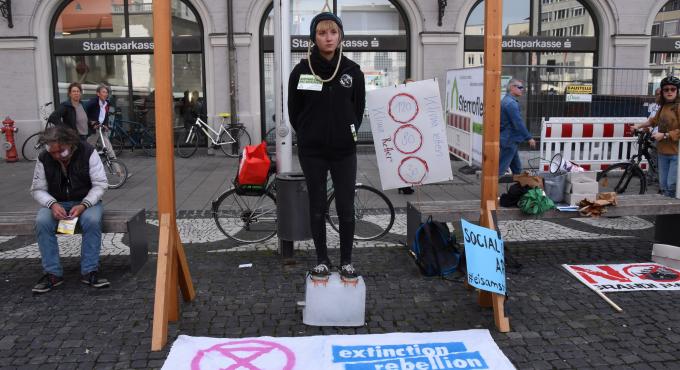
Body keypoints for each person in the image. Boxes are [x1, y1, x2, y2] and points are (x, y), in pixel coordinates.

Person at [288, 12, 365, 282]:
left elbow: (358, 109)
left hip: (344, 151)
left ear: (340, 36)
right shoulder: (300, 71)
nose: (328, 37)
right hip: (313, 152)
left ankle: (346, 261)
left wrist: (346, 134)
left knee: (345, 207)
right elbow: (294, 112)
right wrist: (310, 134)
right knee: (317, 206)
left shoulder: (353, 72)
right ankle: (322, 260)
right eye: (322, 33)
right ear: (314, 38)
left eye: (333, 32)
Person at [30, 126, 110, 294]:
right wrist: (52, 204)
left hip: (87, 200)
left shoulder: (88, 151)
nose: (57, 155)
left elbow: (100, 184)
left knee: (92, 220)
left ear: (71, 144)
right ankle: (52, 274)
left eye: (61, 151)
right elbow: (37, 189)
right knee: (42, 221)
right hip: (56, 201)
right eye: (53, 152)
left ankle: (90, 271)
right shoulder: (44, 157)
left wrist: (84, 205)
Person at [633, 76, 680, 198]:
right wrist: (638, 126)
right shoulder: (663, 107)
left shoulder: (678, 107)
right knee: (663, 185)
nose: (669, 92)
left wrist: (664, 135)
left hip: (676, 153)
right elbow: (653, 121)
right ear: (662, 92)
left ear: (677, 91)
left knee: (671, 185)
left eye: (673, 89)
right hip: (663, 151)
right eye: (666, 89)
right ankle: (664, 213)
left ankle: (672, 214)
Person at [499, 78, 536, 175]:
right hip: (509, 140)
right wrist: (529, 138)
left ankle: (519, 189)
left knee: (517, 169)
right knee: (501, 169)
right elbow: (518, 123)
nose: (522, 89)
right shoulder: (511, 103)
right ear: (512, 87)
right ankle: (491, 189)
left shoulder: (506, 100)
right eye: (520, 87)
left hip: (509, 139)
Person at [85, 84, 116, 159]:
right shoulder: (93, 103)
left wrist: (106, 125)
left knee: (109, 150)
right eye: (103, 92)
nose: (105, 94)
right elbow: (84, 114)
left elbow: (105, 116)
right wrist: (92, 123)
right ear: (98, 93)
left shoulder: (106, 103)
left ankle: (118, 170)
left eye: (106, 92)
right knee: (87, 151)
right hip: (93, 131)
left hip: (101, 129)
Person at [398, 78, 415, 195]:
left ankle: (406, 184)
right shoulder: (400, 98)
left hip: (412, 134)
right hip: (403, 135)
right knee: (404, 159)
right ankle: (404, 185)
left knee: (411, 160)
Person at [646, 87, 662, 187]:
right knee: (653, 157)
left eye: (660, 94)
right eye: (656, 94)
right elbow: (651, 120)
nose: (658, 96)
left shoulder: (665, 107)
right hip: (654, 136)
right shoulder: (655, 106)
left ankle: (654, 178)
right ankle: (652, 177)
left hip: (661, 137)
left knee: (656, 158)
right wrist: (645, 128)